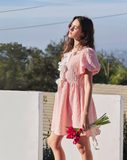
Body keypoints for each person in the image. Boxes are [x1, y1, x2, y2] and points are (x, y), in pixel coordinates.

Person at [48, 16, 101, 160]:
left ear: (84, 33)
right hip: (64, 102)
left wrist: (85, 114)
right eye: (71, 25)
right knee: (53, 142)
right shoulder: (69, 52)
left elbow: (88, 85)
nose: (70, 28)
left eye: (75, 27)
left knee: (82, 147)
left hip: (78, 104)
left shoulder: (87, 52)